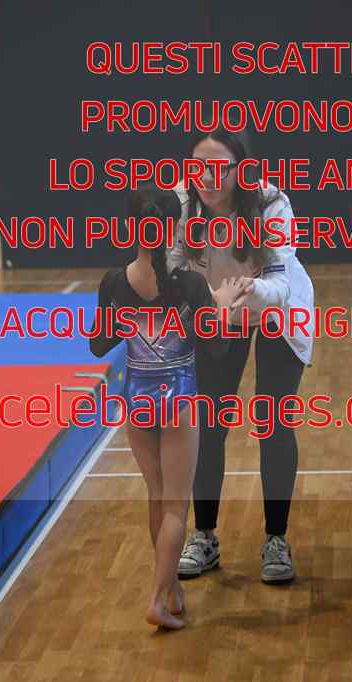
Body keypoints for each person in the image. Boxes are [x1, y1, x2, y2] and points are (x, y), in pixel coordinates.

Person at [89, 184, 244, 630]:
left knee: (157, 497)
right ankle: (157, 599)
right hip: (177, 400)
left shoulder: (115, 282)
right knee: (176, 506)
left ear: (130, 225)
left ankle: (172, 588)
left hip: (138, 399)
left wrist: (126, 318)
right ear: (176, 227)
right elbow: (216, 348)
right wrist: (222, 307)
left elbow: (98, 345)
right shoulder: (189, 285)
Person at [166, 126, 314, 584]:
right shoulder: (181, 203)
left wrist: (249, 290)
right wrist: (211, 303)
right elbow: (172, 269)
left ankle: (276, 539)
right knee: (209, 424)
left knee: (273, 421)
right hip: (217, 310)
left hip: (276, 310)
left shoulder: (271, 203)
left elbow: (281, 281)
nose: (208, 177)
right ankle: (205, 536)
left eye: (220, 168)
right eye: (199, 167)